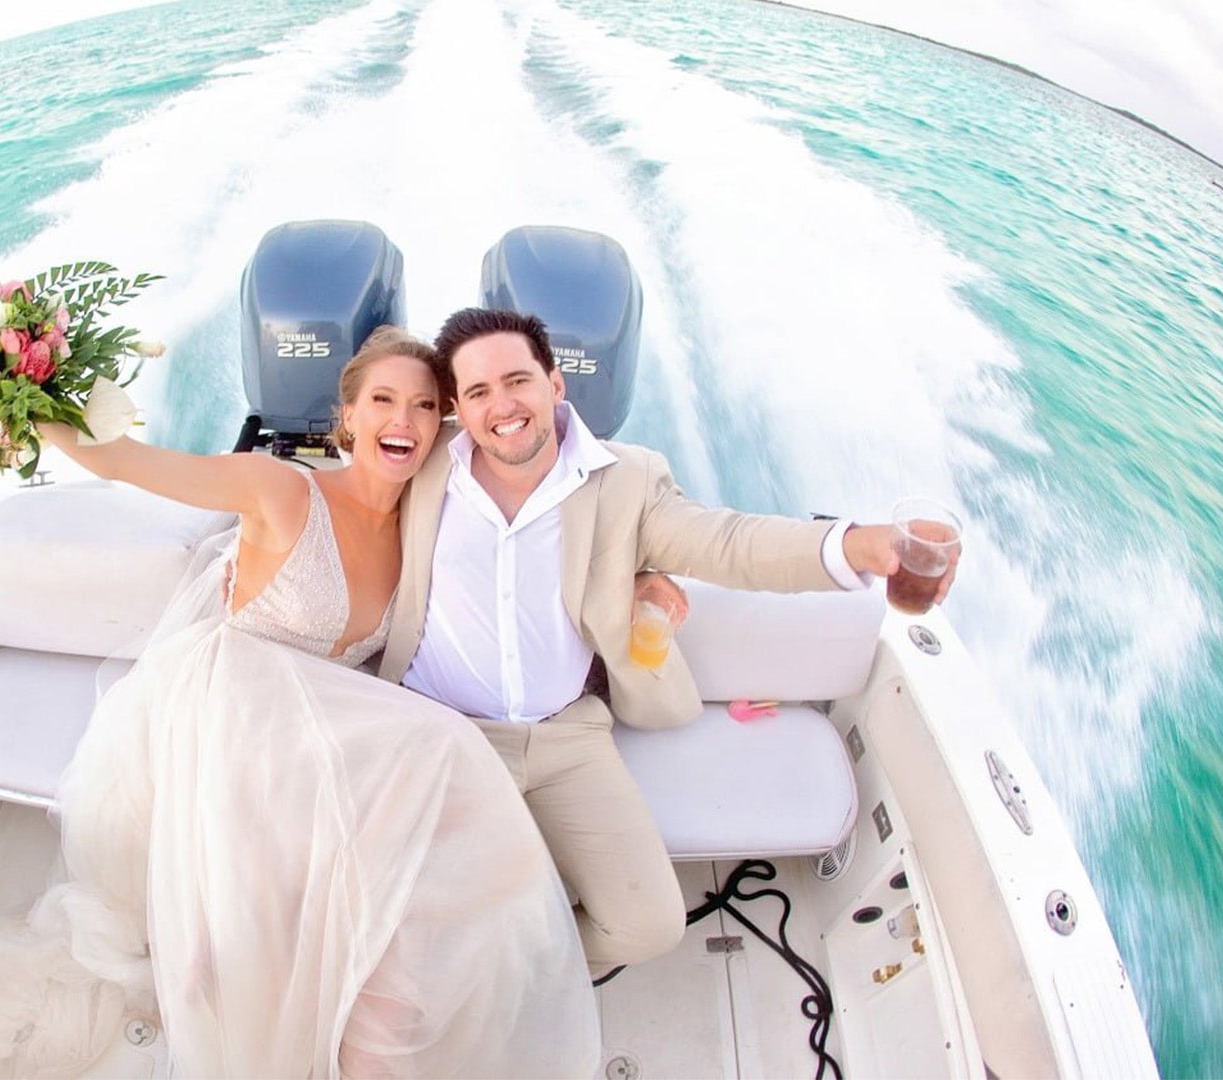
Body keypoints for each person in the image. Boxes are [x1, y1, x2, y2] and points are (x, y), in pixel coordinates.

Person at [0, 327, 600, 1078]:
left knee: (422, 847)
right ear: (347, 419)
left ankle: (371, 1026)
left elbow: (533, 536)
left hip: (315, 723)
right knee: (440, 757)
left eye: (423, 405)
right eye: (382, 401)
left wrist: (637, 582)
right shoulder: (279, 490)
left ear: (444, 424)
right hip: (232, 711)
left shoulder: (427, 525)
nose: (402, 421)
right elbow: (125, 462)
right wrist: (14, 387)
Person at [378, 308, 957, 978]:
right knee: (408, 918)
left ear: (555, 384)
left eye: (518, 381)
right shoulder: (421, 466)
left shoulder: (628, 479)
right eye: (478, 393)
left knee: (646, 927)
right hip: (448, 734)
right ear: (455, 408)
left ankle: (515, 967)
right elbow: (337, 491)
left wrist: (861, 544)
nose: (502, 406)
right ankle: (485, 965)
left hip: (568, 737)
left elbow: (730, 544)